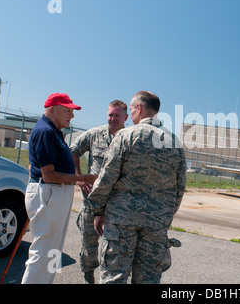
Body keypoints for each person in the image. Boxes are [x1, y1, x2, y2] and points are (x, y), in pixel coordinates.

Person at [88, 90, 186, 284]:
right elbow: (179, 187)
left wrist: (98, 210)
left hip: (121, 220)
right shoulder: (174, 142)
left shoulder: (126, 136)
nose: (131, 113)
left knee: (114, 276)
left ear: (139, 108)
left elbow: (107, 177)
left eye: (131, 109)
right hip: (157, 222)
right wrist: (164, 215)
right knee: (148, 278)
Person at [21, 93, 97, 284]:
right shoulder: (45, 131)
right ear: (51, 109)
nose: (71, 116)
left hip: (56, 192)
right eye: (67, 111)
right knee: (43, 252)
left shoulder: (54, 132)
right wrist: (82, 178)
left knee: (52, 252)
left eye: (72, 112)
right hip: (49, 192)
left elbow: (39, 165)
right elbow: (48, 174)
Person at [70, 100, 128, 284]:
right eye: (110, 114)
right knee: (89, 245)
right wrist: (79, 178)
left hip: (117, 204)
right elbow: (72, 151)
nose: (113, 118)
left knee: (115, 250)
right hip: (92, 202)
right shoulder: (95, 135)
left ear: (126, 117)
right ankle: (88, 277)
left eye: (117, 115)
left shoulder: (129, 138)